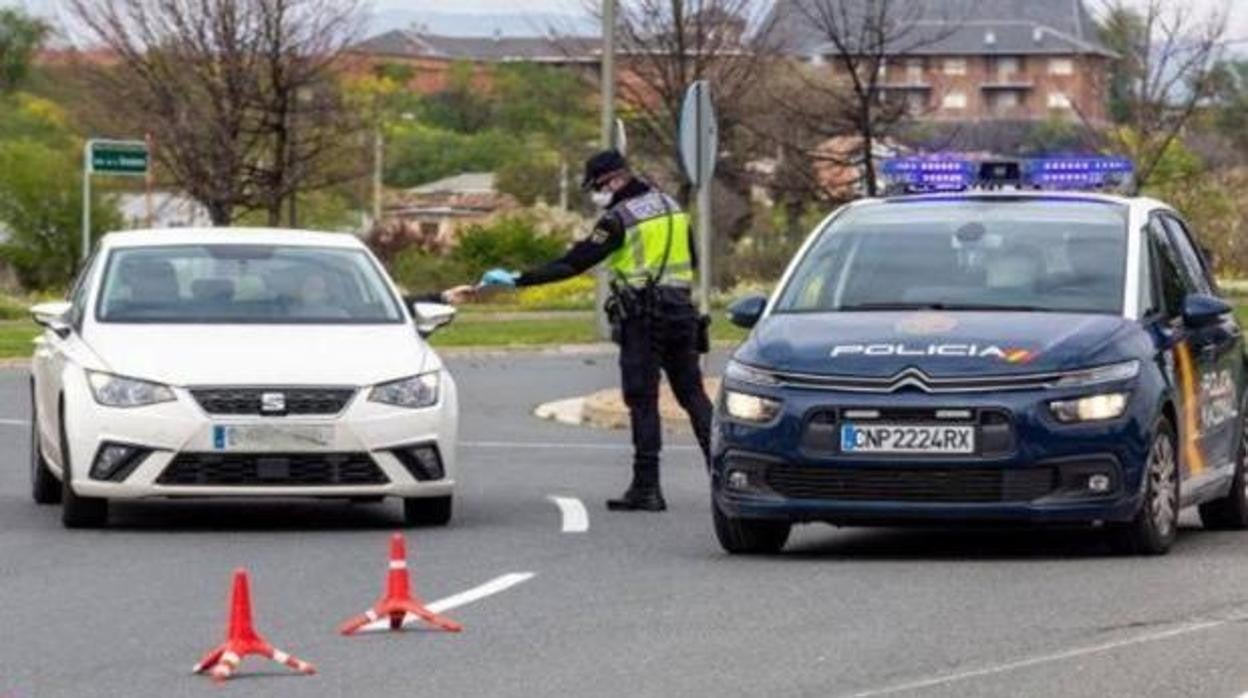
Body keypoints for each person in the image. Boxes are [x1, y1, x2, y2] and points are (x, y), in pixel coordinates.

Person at [479, 149, 714, 512]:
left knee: (643, 399)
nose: (596, 195)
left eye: (597, 187)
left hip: (643, 316)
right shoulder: (671, 206)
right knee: (693, 395)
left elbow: (574, 263)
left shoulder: (618, 219)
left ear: (614, 180)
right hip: (682, 312)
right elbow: (693, 260)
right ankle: (723, 477)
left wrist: (518, 280)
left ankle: (647, 487)